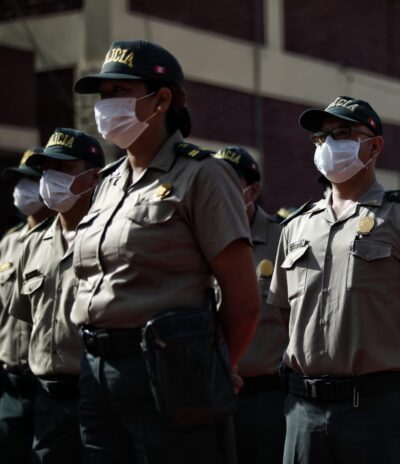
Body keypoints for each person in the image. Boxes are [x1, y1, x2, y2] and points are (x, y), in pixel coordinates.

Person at [71, 39, 260, 463]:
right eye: (104, 94)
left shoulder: (203, 175)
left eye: (120, 91)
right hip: (96, 368)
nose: (106, 104)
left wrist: (213, 366)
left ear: (161, 100)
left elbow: (244, 300)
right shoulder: (106, 183)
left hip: (169, 370)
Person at [268, 96, 400, 464]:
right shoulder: (297, 225)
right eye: (321, 137)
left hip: (374, 407)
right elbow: (283, 312)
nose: (328, 144)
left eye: (342, 134)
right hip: (303, 406)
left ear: (374, 146)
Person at [8, 128, 104, 462]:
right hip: (47, 397)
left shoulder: (109, 237)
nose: (51, 178)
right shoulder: (32, 243)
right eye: (47, 169)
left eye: (64, 168)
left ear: (94, 176)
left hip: (98, 394)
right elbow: (26, 316)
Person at [213, 146, 286, 464]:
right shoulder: (197, 236)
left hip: (266, 398)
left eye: (228, 182)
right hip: (209, 395)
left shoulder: (283, 239)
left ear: (252, 191)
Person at [0, 150, 54, 463]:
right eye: (19, 180)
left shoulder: (67, 236)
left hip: (50, 384)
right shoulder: (8, 243)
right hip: (10, 383)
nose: (22, 189)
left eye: (32, 180)